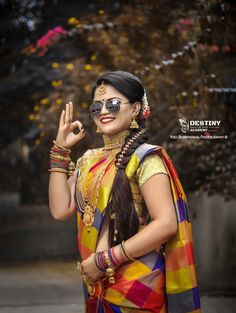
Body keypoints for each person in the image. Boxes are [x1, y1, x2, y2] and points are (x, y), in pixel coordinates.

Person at [48, 71, 201, 313]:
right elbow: (60, 210)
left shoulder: (146, 159)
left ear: (136, 108)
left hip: (138, 288)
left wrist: (106, 259)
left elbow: (166, 224)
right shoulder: (89, 160)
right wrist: (60, 151)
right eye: (97, 107)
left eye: (114, 104)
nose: (104, 111)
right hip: (96, 287)